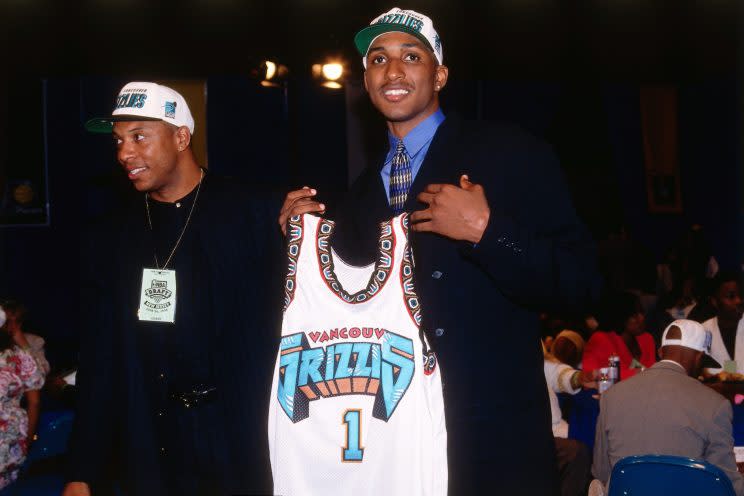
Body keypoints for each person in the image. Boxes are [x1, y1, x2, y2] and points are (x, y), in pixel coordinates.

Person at [278, 8, 600, 494]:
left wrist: (487, 232)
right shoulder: (358, 196)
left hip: (493, 442)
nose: (393, 71)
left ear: (440, 74)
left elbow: (582, 282)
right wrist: (299, 244)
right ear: (365, 81)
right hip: (396, 447)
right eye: (378, 59)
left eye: (411, 56)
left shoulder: (510, 152)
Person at [64, 82, 276, 496]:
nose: (125, 153)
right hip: (151, 452)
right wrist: (81, 470)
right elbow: (101, 360)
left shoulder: (257, 213)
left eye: (139, 136)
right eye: (119, 141)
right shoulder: (111, 236)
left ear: (181, 137)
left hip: (242, 447)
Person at [592, 319, 744, 496]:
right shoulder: (716, 404)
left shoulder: (611, 396)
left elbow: (601, 472)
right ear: (698, 357)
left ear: (660, 351)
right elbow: (725, 484)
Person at [0, 305, 46, 489]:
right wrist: (26, 441)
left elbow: (35, 401)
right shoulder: (21, 356)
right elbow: (34, 402)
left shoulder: (23, 353)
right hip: (12, 439)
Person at [543, 349, 594, 496]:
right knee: (577, 452)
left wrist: (579, 378)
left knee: (585, 447)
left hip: (555, 428)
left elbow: (557, 373)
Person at [583, 291, 655, 380]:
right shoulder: (601, 339)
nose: (642, 318)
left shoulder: (646, 338)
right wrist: (640, 373)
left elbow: (653, 375)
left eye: (641, 312)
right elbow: (590, 377)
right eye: (634, 315)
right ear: (621, 317)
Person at [702, 270, 744, 374]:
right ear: (715, 302)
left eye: (740, 295)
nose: (739, 301)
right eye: (731, 296)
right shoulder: (704, 331)